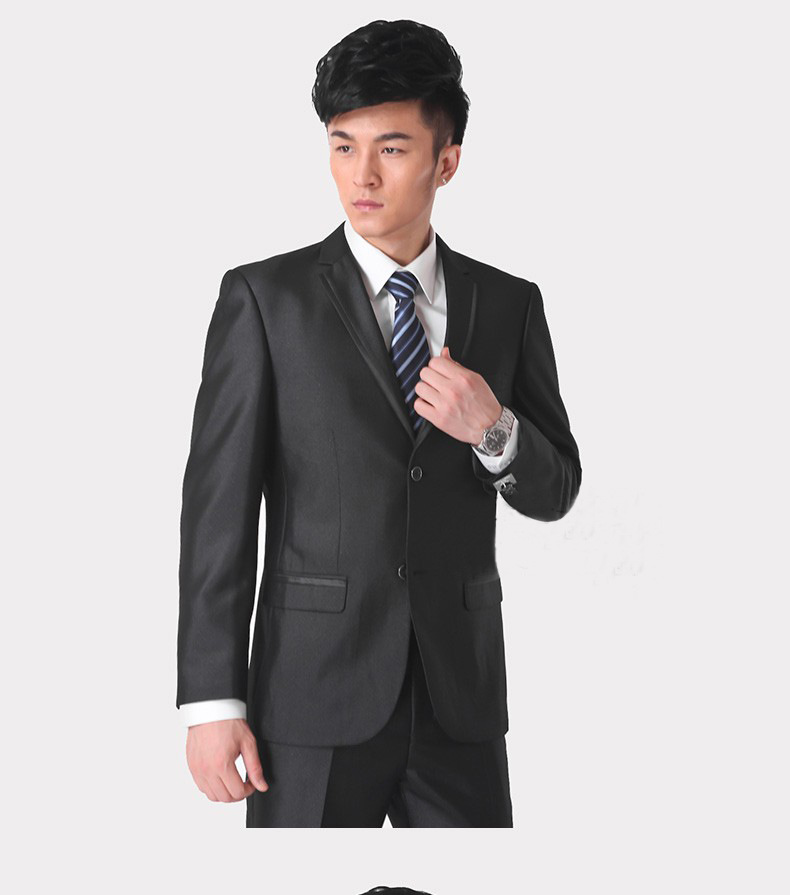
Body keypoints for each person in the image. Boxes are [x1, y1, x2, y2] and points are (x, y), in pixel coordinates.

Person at [176, 18, 581, 828]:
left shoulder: (508, 304)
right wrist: (212, 700)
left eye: (392, 148)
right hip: (309, 698)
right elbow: (219, 512)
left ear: (446, 161)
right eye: (342, 145)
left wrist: (492, 426)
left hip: (458, 701)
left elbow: (555, 489)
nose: (361, 174)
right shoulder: (266, 301)